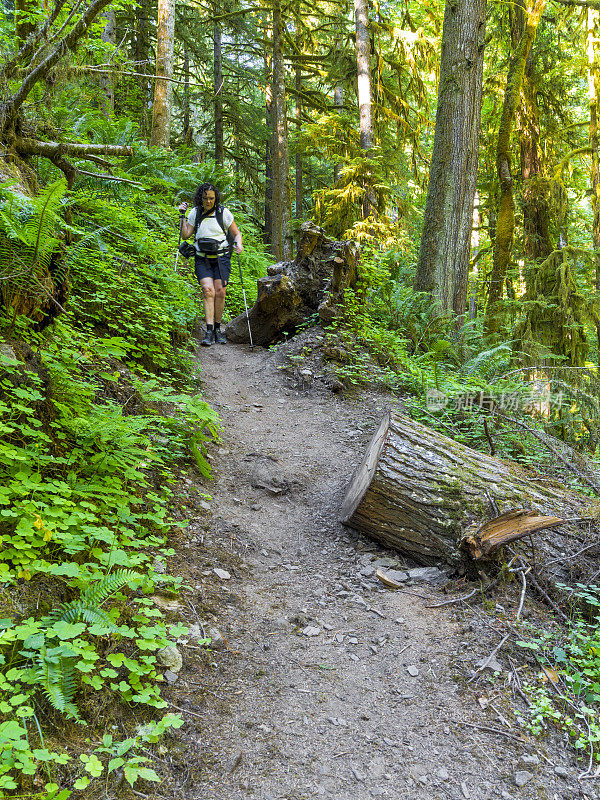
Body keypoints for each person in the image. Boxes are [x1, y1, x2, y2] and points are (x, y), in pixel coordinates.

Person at [178, 183, 243, 346]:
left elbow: (236, 233)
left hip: (221, 258)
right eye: (205, 198)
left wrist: (238, 244)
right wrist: (181, 216)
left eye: (211, 198)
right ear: (200, 197)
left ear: (216, 198)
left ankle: (217, 329)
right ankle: (208, 331)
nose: (208, 201)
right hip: (202, 258)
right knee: (208, 291)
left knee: (220, 291)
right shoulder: (195, 212)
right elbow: (185, 235)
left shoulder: (223, 213)